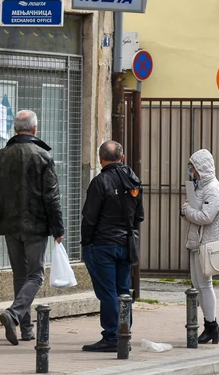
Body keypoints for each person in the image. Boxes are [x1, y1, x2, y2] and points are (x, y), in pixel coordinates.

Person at [0, 110, 65, 345]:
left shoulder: (1, 156)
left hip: (10, 224)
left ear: (16, 129)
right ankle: (14, 315)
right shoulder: (43, 157)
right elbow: (52, 198)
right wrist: (58, 229)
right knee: (35, 276)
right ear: (35, 129)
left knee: (20, 276)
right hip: (36, 226)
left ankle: (26, 330)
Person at [80, 141, 144, 352]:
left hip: (103, 244)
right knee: (123, 291)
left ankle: (111, 337)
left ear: (101, 159)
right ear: (122, 158)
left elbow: (89, 217)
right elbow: (139, 216)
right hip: (125, 243)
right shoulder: (133, 180)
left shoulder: (100, 181)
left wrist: (86, 243)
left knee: (107, 293)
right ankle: (123, 333)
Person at [181, 149, 219, 344]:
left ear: (201, 168)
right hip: (196, 242)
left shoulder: (213, 189)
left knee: (205, 285)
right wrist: (189, 210)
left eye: (193, 167)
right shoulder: (200, 187)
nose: (191, 170)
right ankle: (210, 325)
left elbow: (206, 217)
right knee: (197, 284)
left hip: (206, 243)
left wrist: (187, 210)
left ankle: (211, 326)